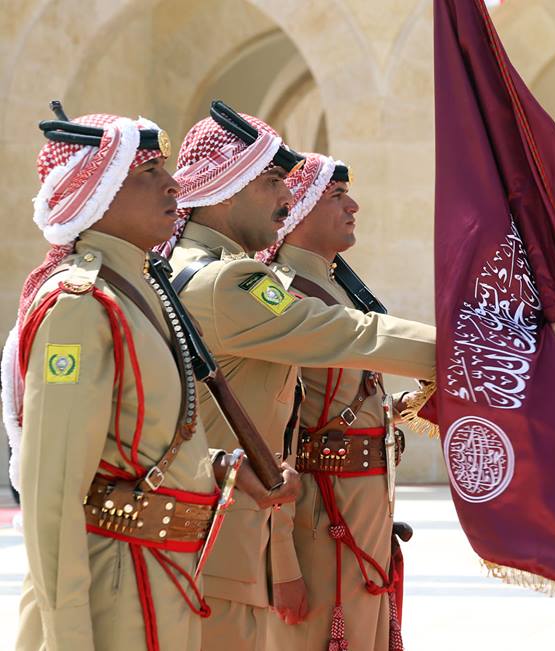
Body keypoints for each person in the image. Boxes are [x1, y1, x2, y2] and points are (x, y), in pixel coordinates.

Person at [161, 103, 438, 651]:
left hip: (223, 531)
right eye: (271, 182)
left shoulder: (195, 268)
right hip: (230, 539)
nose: (285, 199)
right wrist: (486, 350)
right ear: (228, 186)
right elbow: (351, 338)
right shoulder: (227, 281)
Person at [4, 106, 271, 651]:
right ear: (96, 192)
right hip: (115, 596)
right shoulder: (79, 306)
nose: (173, 185)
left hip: (163, 580)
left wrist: (218, 466)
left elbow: (137, 439)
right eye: (147, 173)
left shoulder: (142, 290)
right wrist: (70, 636)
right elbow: (51, 492)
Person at [255, 152, 415, 650]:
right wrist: (282, 562)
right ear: (297, 207)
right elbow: (271, 432)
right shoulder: (281, 295)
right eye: (337, 196)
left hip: (360, 522)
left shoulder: (334, 287)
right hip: (319, 524)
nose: (354, 206)